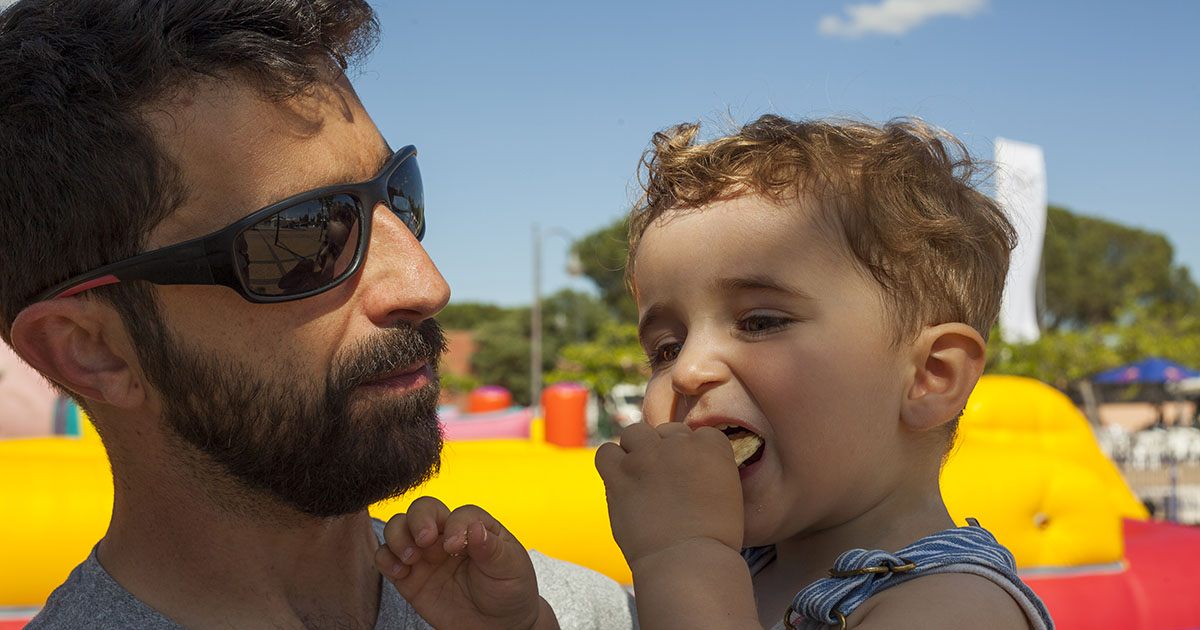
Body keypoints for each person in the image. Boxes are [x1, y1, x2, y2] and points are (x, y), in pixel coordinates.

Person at [0, 1, 634, 627]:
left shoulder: (571, 613)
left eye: (399, 193)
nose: (426, 284)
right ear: (91, 351)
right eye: (303, 235)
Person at [379, 115, 1054, 629]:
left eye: (760, 322)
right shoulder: (740, 572)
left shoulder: (954, 607)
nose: (690, 370)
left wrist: (684, 557)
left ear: (930, 376)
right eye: (665, 347)